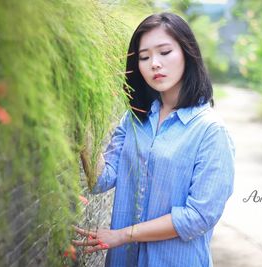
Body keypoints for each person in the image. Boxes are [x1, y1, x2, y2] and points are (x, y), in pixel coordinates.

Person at [73, 12, 235, 267]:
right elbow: (102, 180)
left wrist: (123, 235)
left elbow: (198, 216)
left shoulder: (210, 131)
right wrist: (82, 128)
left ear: (187, 53)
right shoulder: (134, 120)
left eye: (164, 52)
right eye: (144, 57)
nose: (154, 64)